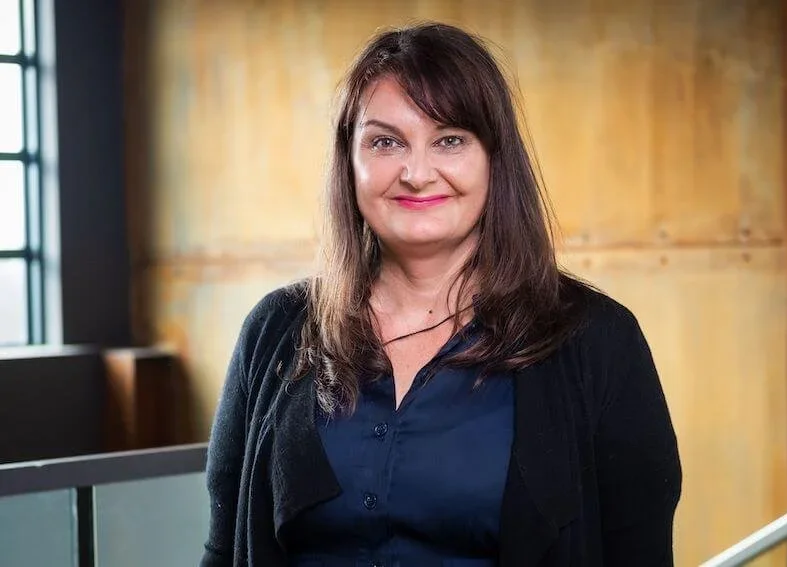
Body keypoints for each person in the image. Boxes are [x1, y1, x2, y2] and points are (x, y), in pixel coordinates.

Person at [201, 22, 682, 567]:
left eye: (450, 140)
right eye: (386, 142)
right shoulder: (276, 329)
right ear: (349, 162)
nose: (416, 172)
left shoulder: (597, 340)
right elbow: (224, 550)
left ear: (493, 159)